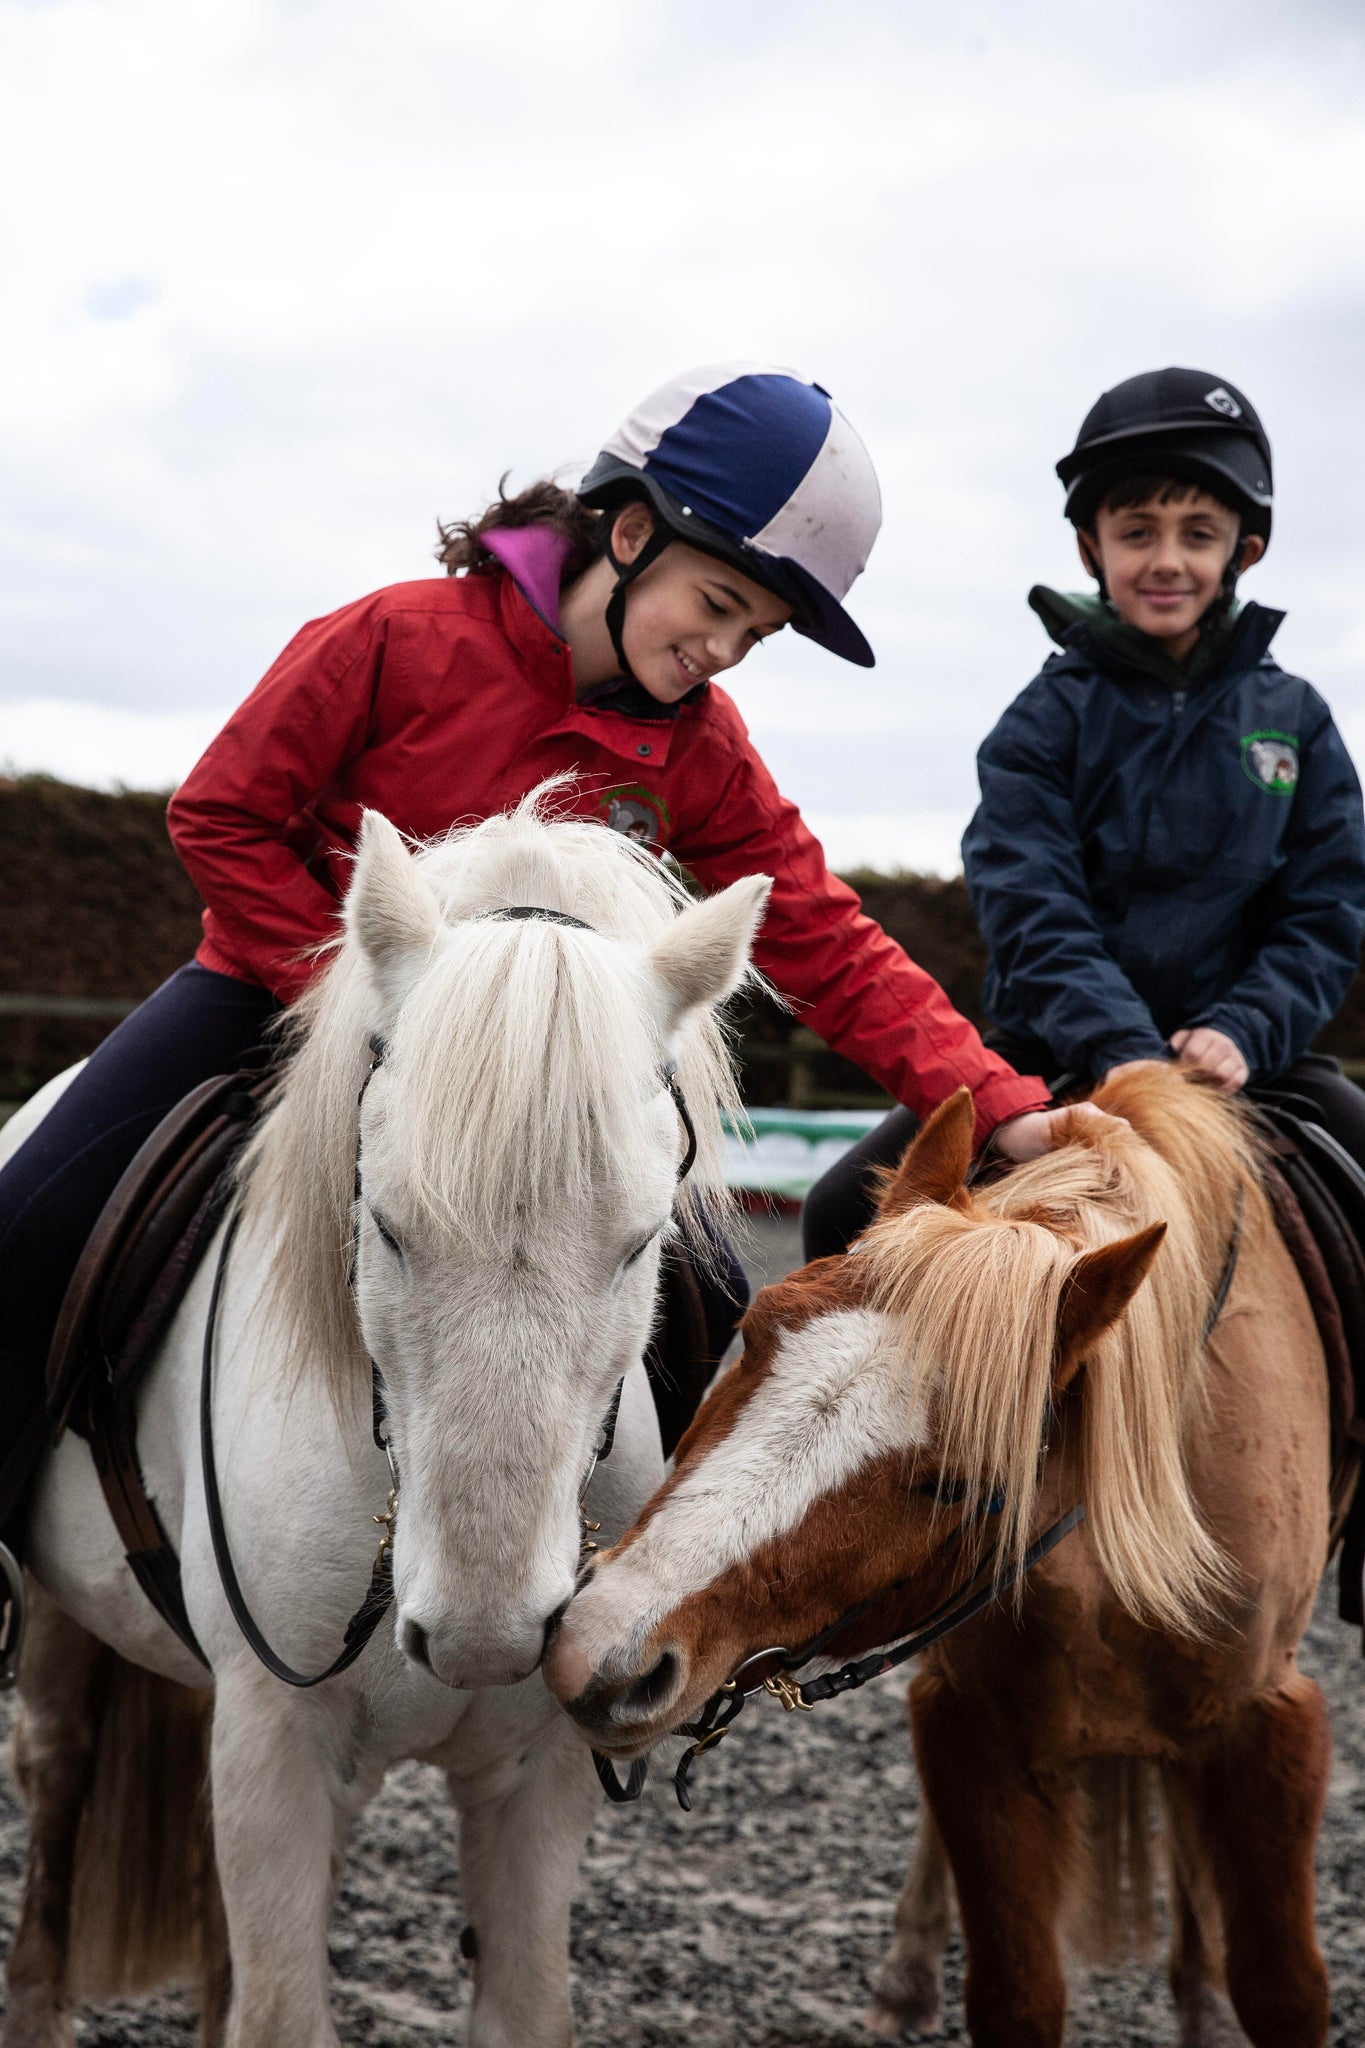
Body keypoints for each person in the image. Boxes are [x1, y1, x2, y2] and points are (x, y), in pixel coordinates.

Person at [0, 361, 1075, 1587]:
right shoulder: (393, 637)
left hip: (548, 1082)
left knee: (715, 1285)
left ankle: (631, 1598)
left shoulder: (700, 745)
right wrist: (351, 1005)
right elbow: (224, 814)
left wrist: (1001, 1105)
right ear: (626, 533)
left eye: (751, 636)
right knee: (27, 1220)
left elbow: (823, 936)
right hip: (282, 998)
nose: (718, 651)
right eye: (713, 603)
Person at [805, 363, 1365, 1265]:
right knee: (838, 1214)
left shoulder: (1296, 719)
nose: (1167, 559)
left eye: (1198, 533)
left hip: (1241, 1059)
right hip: (1056, 1055)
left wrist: (1244, 1029)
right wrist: (1120, 1048)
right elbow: (1033, 910)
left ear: (1242, 550)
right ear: (1089, 548)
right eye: (1136, 531)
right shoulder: (1039, 722)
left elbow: (1327, 908)